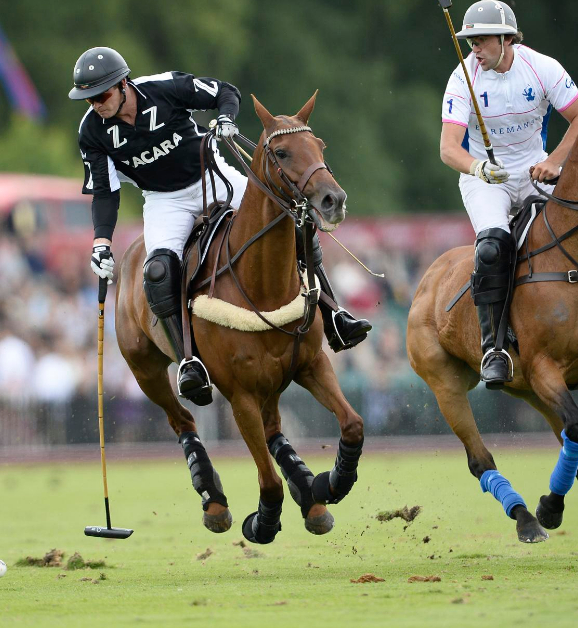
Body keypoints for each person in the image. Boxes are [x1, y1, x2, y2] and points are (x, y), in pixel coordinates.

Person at [70, 46, 370, 405]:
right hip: (165, 201)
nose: (96, 105)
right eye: (89, 100)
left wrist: (226, 117)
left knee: (292, 222)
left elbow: (225, 92)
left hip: (212, 176)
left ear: (123, 84)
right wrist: (101, 244)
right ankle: (188, 362)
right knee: (158, 271)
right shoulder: (91, 131)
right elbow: (105, 192)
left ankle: (333, 315)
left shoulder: (164, 88)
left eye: (101, 96)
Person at [438, 0, 578, 385]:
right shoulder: (463, 78)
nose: (473, 49)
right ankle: (494, 347)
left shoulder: (541, 67)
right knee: (492, 248)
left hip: (537, 169)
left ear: (506, 39)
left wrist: (555, 162)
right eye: (470, 42)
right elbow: (448, 148)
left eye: (480, 41)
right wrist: (478, 167)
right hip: (486, 180)